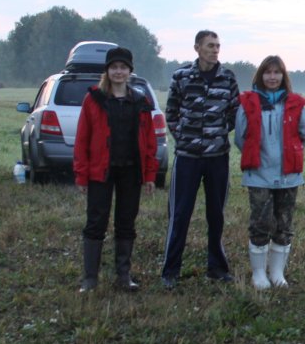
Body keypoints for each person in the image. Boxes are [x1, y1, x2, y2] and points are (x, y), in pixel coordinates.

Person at [73, 47, 158, 292]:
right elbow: (82, 139)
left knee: (126, 223)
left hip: (131, 172)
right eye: (114, 67)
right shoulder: (93, 99)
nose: (118, 72)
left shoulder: (141, 101)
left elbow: (150, 141)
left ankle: (123, 276)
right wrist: (81, 174)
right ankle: (90, 279)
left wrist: (150, 174)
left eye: (123, 67)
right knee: (96, 222)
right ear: (107, 71)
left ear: (130, 71)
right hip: (101, 171)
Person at [161, 30, 241, 289]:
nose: (215, 50)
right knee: (180, 214)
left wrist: (216, 133)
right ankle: (171, 271)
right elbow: (171, 112)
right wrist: (185, 137)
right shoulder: (182, 76)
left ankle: (216, 268)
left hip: (217, 157)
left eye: (217, 45)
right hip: (187, 158)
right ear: (197, 48)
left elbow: (235, 112)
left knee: (216, 215)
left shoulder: (228, 78)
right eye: (210, 45)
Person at [235, 56, 305, 289]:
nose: (272, 77)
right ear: (261, 75)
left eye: (277, 72)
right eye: (268, 72)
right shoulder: (247, 102)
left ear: (283, 76)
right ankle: (259, 274)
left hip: (288, 176)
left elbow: (303, 137)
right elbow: (240, 138)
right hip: (258, 175)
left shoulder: (296, 103)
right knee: (260, 224)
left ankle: (277, 273)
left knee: (284, 225)